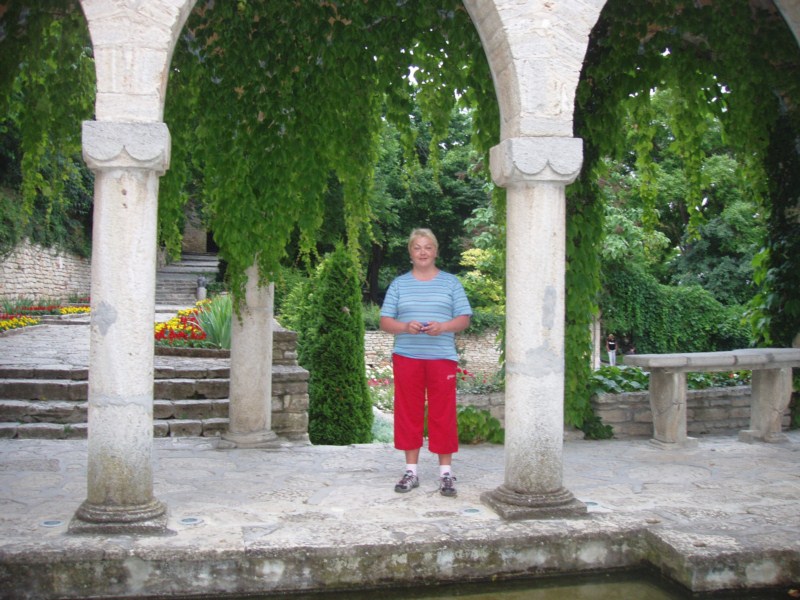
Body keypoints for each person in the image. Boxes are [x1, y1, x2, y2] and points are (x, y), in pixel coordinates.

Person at [380, 228, 472, 497]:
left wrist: (443, 327)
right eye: (417, 247)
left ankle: (446, 473)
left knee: (443, 412)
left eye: (428, 247)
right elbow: (385, 321)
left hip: (442, 358)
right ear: (410, 252)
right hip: (407, 357)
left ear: (436, 251)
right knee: (408, 412)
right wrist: (404, 327)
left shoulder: (451, 283)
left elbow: (464, 318)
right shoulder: (399, 284)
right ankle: (411, 471)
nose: (423, 252)